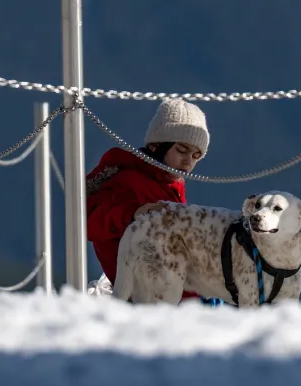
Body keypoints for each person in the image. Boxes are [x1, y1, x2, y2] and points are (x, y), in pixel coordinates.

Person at [86, 98, 209, 299]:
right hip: (147, 300)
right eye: (181, 150)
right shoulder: (128, 180)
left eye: (196, 156)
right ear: (156, 146)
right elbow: (87, 223)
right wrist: (132, 215)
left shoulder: (170, 184)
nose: (188, 161)